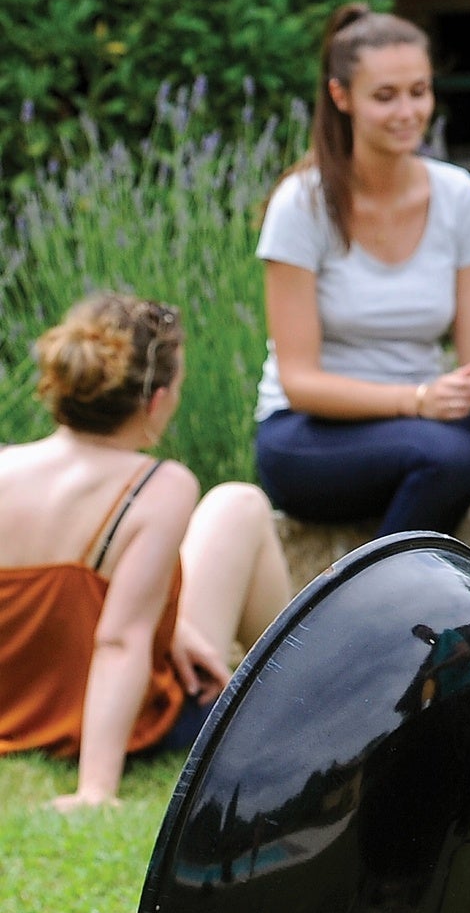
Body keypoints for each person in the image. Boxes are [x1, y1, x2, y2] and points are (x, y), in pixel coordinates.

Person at [254, 4, 470, 659]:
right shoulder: (303, 205)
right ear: (341, 96)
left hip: (426, 422)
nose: (408, 111)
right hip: (308, 434)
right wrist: (418, 400)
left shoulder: (458, 197)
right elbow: (301, 380)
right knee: (449, 455)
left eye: (419, 91)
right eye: (386, 96)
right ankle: (351, 638)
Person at [0, 294, 292, 810]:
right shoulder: (156, 485)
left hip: (14, 710)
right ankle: (303, 693)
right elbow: (119, 640)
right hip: (119, 720)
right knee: (239, 505)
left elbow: (57, 603)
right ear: (155, 401)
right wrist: (96, 789)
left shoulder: (7, 467)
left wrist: (171, 626)